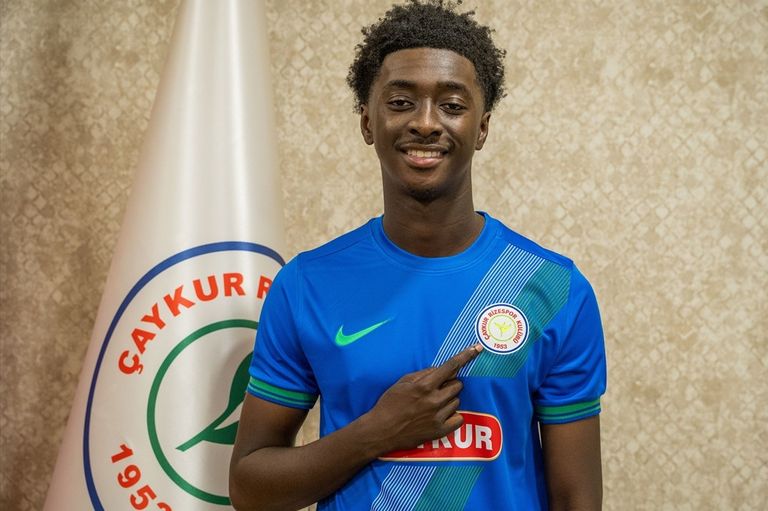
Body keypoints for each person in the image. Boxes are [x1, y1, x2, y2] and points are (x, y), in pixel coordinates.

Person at [229, 1, 607, 509]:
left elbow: (576, 497)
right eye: (401, 102)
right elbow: (250, 488)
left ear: (482, 128)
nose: (426, 123)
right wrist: (377, 432)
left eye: (451, 105)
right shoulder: (307, 284)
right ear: (368, 123)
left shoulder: (553, 287)